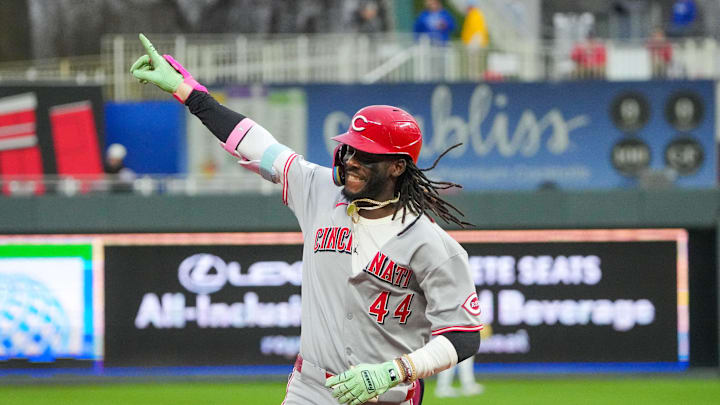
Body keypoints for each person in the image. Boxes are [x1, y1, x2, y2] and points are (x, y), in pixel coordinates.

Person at [130, 34, 483, 405]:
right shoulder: (317, 189)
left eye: (367, 155)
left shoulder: (432, 244)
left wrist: (395, 370)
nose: (352, 160)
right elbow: (255, 143)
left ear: (397, 166)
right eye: (350, 149)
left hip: (387, 394)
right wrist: (190, 93)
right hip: (311, 388)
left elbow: (463, 336)